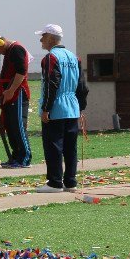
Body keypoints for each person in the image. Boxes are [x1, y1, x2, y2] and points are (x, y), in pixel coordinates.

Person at [35, 23, 88, 193]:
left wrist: (46, 109)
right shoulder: (74, 57)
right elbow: (82, 86)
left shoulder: (51, 58)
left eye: (43, 36)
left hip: (56, 108)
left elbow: (52, 84)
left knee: (53, 146)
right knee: (70, 147)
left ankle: (55, 183)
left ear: (50, 38)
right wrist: (80, 108)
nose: (41, 40)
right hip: (72, 108)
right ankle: (70, 182)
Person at [0, 33, 33, 167]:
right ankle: (16, 157)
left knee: (18, 126)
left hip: (17, 94)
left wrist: (11, 90)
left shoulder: (17, 49)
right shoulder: (10, 52)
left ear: (0, 43)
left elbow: (21, 73)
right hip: (8, 95)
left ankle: (25, 158)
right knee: (10, 126)